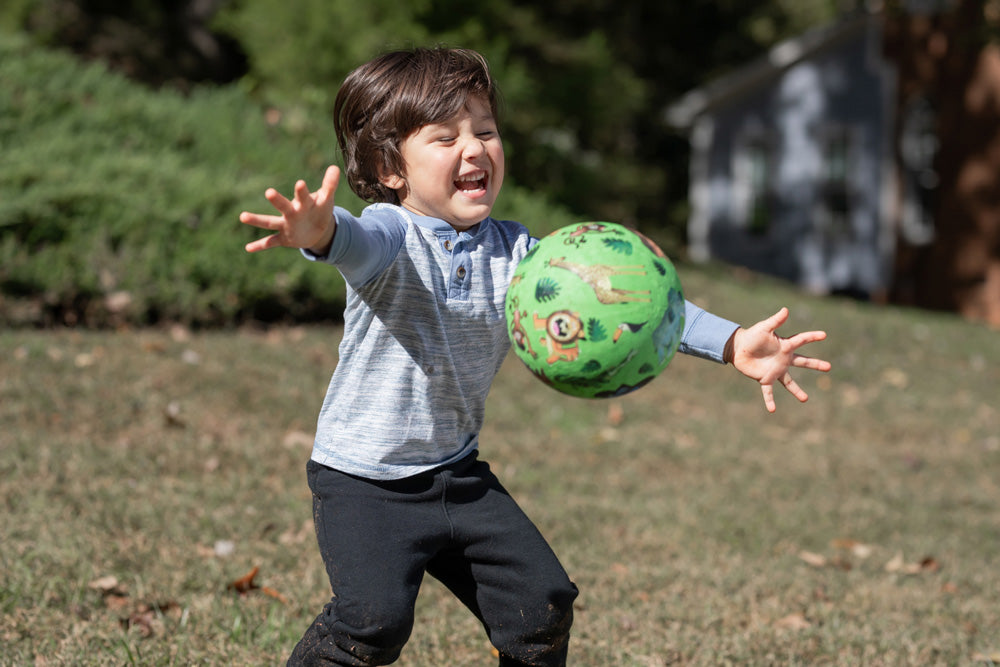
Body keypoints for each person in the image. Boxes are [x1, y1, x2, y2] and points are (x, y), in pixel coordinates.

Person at [240, 47, 831, 667]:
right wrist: (319, 232)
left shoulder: (520, 253)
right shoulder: (392, 235)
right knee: (374, 623)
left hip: (456, 474)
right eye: (445, 138)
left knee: (540, 604)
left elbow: (618, 298)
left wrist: (732, 342)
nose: (474, 149)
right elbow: (352, 241)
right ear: (391, 167)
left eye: (486, 132)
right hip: (364, 482)